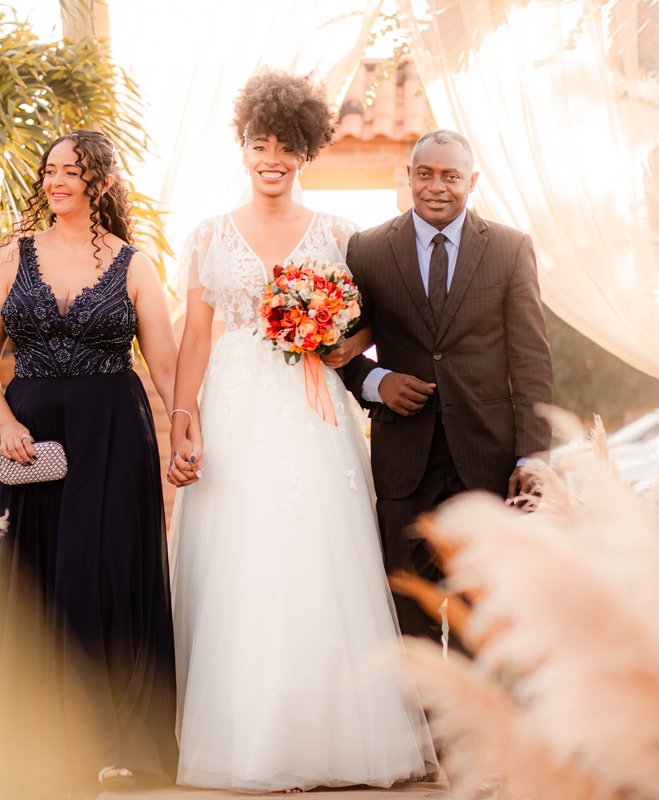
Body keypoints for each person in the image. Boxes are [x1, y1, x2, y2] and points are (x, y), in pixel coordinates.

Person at [168, 68, 437, 793]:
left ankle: (332, 737)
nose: (272, 157)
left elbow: (371, 321)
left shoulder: (339, 236)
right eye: (261, 143)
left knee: (319, 555)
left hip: (312, 407)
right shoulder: (207, 236)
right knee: (240, 560)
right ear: (244, 145)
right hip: (231, 409)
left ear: (307, 151)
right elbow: (194, 340)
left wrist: (340, 344)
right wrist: (182, 425)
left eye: (287, 146)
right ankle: (249, 735)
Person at [0, 130, 180, 789]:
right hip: (30, 436)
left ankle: (121, 744)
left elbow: (166, 368)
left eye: (72, 171)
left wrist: (189, 430)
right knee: (30, 582)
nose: (57, 181)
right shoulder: (13, 257)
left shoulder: (135, 264)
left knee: (109, 576)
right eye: (50, 170)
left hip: (115, 436)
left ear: (102, 182)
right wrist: (4, 425)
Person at [323, 129, 554, 645]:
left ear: (471, 181)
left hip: (488, 466)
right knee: (409, 622)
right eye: (424, 174)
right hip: (404, 468)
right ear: (408, 177)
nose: (436, 187)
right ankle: (422, 729)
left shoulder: (511, 249)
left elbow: (532, 360)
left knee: (486, 622)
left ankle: (476, 726)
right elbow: (333, 347)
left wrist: (530, 457)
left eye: (450, 176)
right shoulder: (368, 249)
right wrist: (377, 381)